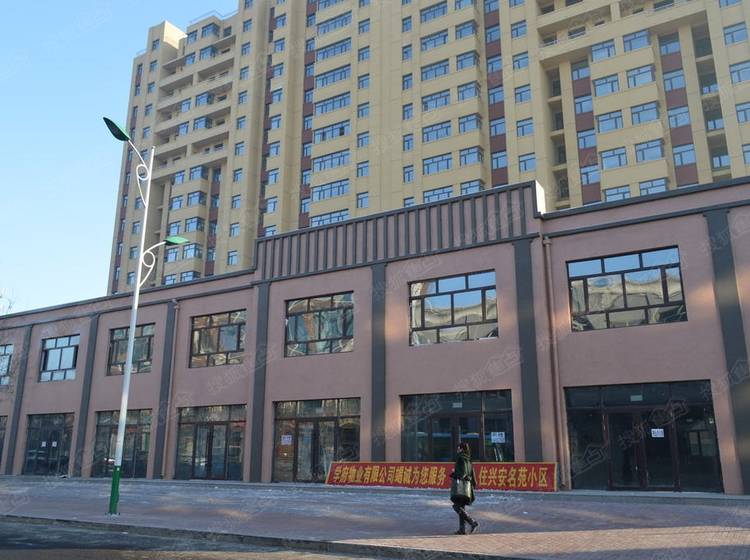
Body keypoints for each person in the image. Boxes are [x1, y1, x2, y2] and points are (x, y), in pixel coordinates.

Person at [450, 442, 479, 535]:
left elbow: (462, 473)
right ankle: (462, 529)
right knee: (461, 507)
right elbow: (472, 473)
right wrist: (474, 483)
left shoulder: (460, 458)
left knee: (456, 506)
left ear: (461, 449)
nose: (457, 450)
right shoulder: (469, 459)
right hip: (468, 487)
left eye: (458, 448)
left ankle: (472, 522)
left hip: (461, 486)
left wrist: (454, 474)